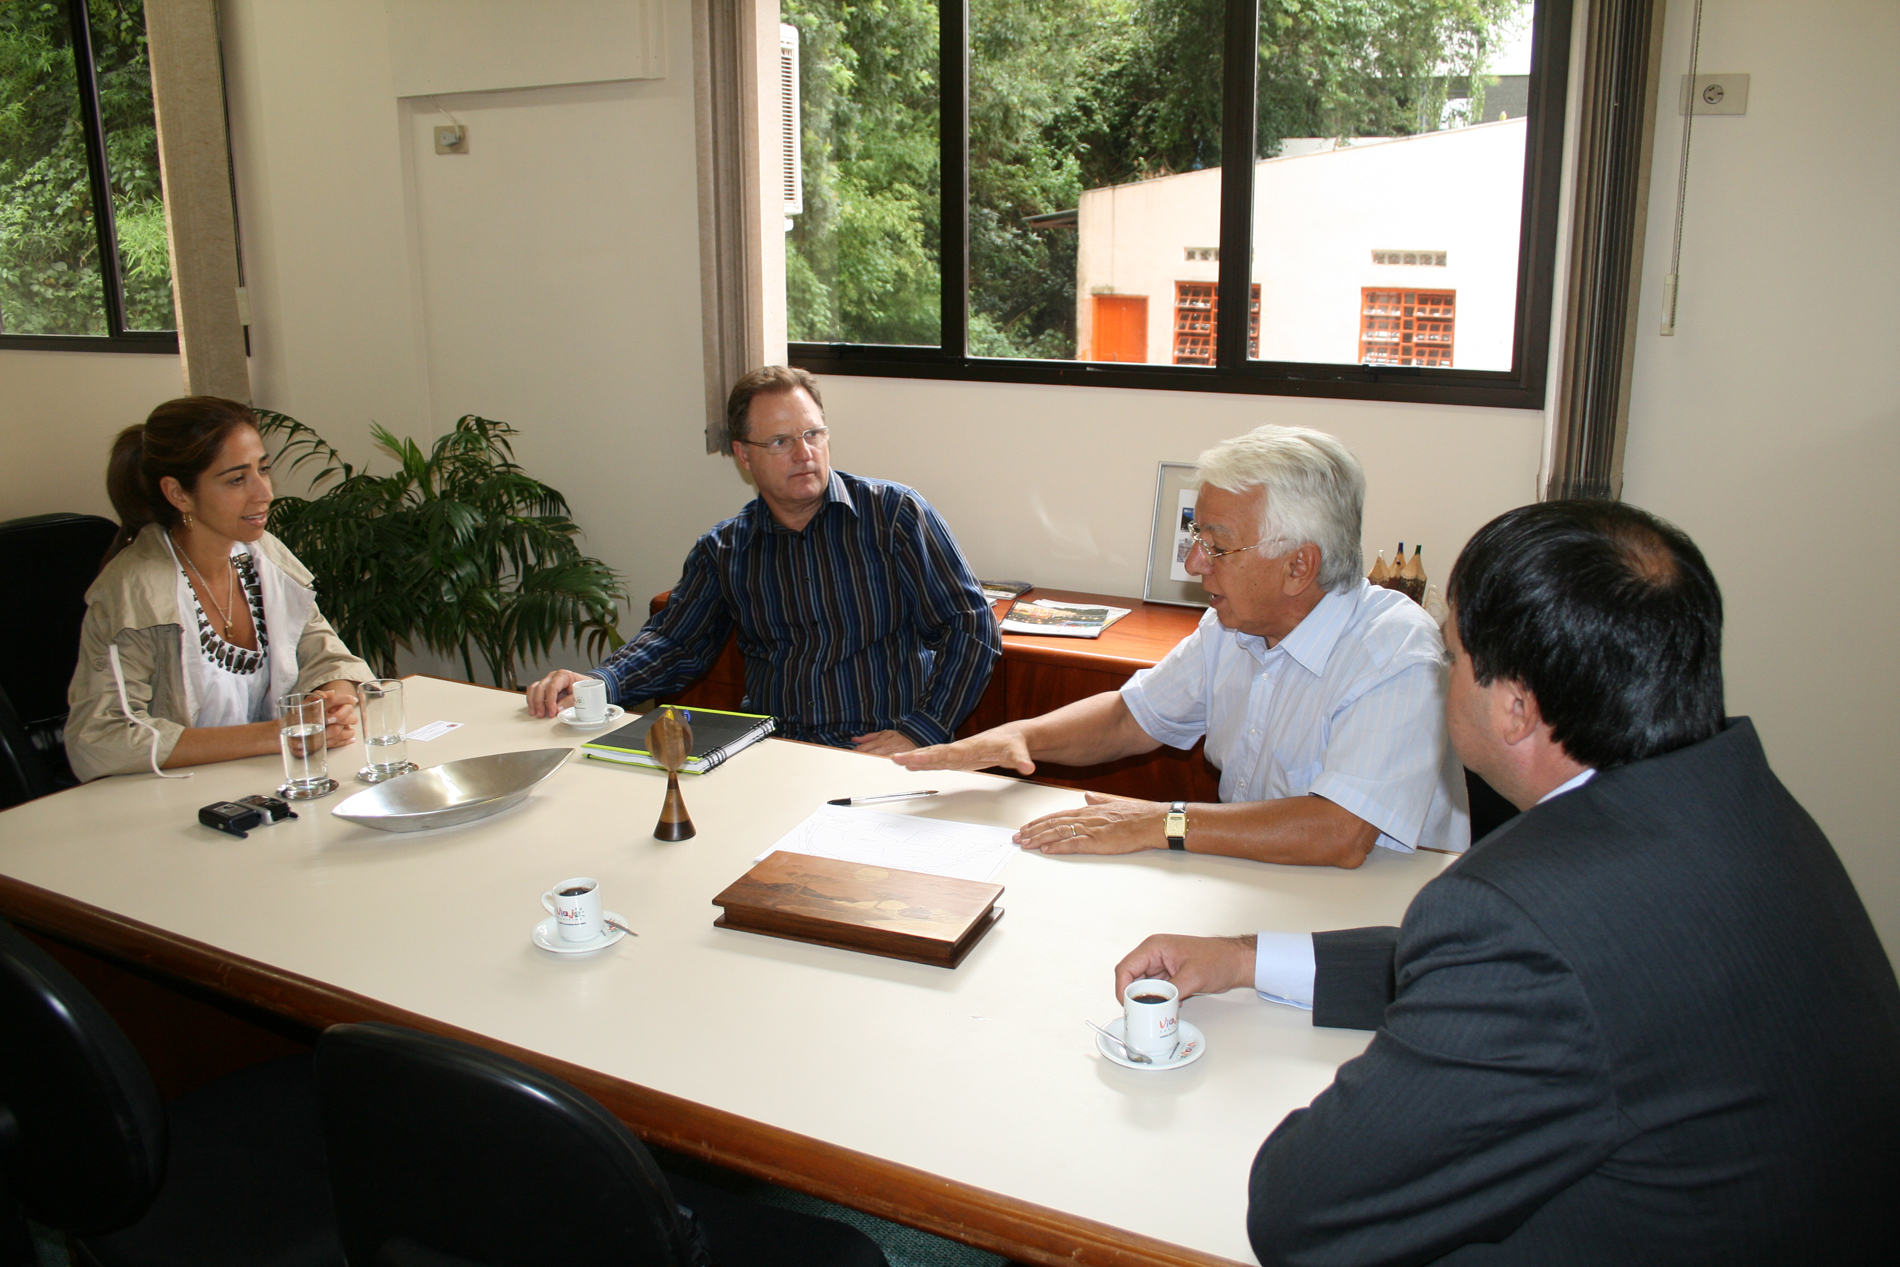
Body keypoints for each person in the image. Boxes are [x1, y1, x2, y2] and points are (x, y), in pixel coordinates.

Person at [1114, 500, 1900, 1263]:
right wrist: (1252, 959)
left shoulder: (1521, 919)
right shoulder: (1734, 801)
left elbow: (1301, 1210)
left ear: (1516, 707)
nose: (1442, 676)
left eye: (1452, 656)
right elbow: (1560, 978)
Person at [895, 424, 1466, 867]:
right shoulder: (1232, 627)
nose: (1194, 564)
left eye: (1216, 547)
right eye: (1198, 537)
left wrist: (1159, 822)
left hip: (1373, 921)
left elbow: (1340, 834)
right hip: (1261, 879)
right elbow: (1129, 718)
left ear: (1299, 565)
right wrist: (1016, 736)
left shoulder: (1393, 653)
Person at [526, 367, 999, 753]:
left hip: (879, 747)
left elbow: (971, 625)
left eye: (813, 433)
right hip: (773, 750)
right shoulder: (726, 548)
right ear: (743, 456)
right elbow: (675, 642)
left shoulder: (894, 515)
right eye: (780, 442)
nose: (804, 453)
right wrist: (597, 683)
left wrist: (922, 729)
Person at [66, 397, 372, 782]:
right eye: (236, 479)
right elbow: (99, 741)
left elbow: (326, 656)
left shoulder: (263, 555)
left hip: (269, 782)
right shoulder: (135, 591)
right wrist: (277, 734)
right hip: (174, 807)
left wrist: (330, 702)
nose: (264, 493)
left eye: (263, 469)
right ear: (178, 494)